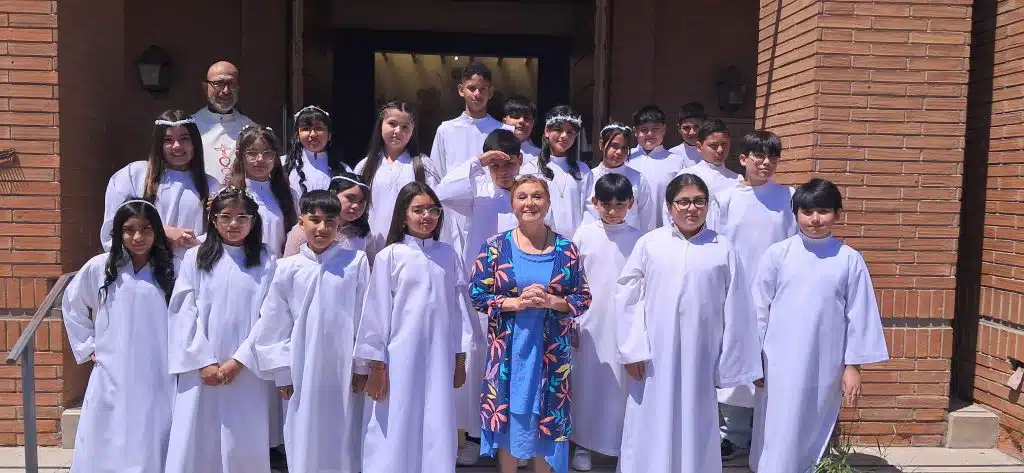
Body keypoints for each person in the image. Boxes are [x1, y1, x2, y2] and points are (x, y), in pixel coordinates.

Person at [616, 173, 761, 473]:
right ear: (669, 206)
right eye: (683, 202)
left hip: (702, 355)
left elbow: (737, 307)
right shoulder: (650, 244)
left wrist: (729, 362)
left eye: (698, 201)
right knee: (649, 417)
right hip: (654, 355)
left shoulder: (723, 248)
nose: (691, 208)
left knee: (696, 420)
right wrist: (632, 350)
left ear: (707, 205)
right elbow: (628, 298)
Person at [750, 178, 889, 473]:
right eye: (807, 211)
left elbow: (859, 315)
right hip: (778, 361)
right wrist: (754, 360)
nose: (815, 219)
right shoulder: (778, 254)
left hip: (825, 362)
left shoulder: (848, 259)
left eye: (823, 211)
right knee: (777, 424)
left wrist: (853, 367)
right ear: (796, 214)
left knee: (815, 424)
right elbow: (758, 310)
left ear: (837, 214)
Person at [469, 176, 592, 473]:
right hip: (508, 352)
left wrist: (551, 301)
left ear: (548, 203)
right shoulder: (495, 247)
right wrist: (516, 303)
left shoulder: (566, 249)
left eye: (537, 196)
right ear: (512, 203)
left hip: (551, 354)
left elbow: (582, 297)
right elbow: (477, 294)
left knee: (546, 422)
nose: (530, 203)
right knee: (509, 419)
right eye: (522, 197)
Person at [356, 182, 472, 473]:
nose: (426, 216)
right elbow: (376, 313)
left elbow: (458, 313)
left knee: (437, 418)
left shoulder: (449, 255)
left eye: (432, 210)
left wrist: (460, 359)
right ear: (403, 216)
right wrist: (376, 366)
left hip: (440, 358)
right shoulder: (389, 256)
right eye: (418, 210)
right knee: (395, 418)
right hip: (398, 359)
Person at [252, 190, 371, 473]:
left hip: (344, 368)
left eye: (330, 221)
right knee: (303, 432)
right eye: (315, 220)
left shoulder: (356, 262)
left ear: (339, 224)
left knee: (344, 433)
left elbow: (365, 317)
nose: (322, 228)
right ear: (301, 222)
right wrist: (282, 372)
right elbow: (274, 322)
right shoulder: (287, 268)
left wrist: (361, 366)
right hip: (300, 367)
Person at [165, 188, 275, 473]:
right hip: (201, 367)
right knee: (198, 436)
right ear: (213, 220)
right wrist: (203, 362)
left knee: (242, 439)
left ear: (253, 221)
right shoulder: (195, 257)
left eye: (242, 217)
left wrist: (239, 361)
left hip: (246, 368)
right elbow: (183, 311)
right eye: (225, 217)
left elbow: (271, 315)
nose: (233, 224)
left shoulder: (266, 260)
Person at [62, 199, 176, 473]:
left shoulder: (173, 269)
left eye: (146, 229)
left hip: (158, 368)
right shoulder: (101, 267)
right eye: (129, 230)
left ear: (157, 231)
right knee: (109, 429)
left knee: (152, 429)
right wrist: (89, 346)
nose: (137, 237)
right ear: (118, 232)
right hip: (113, 367)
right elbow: (73, 304)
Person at [433, 128, 524, 465]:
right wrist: (478, 162)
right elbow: (441, 193)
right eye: (495, 164)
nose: (503, 171)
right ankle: (474, 436)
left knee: (515, 364)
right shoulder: (477, 191)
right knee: (479, 363)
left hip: (521, 292)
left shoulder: (527, 193)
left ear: (520, 161)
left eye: (509, 163)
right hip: (483, 292)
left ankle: (513, 441)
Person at [712, 130, 797, 462]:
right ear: (743, 159)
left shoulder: (789, 197)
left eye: (772, 157)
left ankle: (767, 434)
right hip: (736, 290)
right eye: (759, 156)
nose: (766, 162)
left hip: (777, 292)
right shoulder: (724, 199)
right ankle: (732, 434)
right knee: (735, 359)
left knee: (769, 361)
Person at [569, 173, 644, 471]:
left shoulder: (640, 239)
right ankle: (583, 444)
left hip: (626, 323)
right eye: (606, 204)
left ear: (631, 203)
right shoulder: (584, 235)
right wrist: (573, 319)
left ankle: (621, 447)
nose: (613, 211)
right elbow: (572, 280)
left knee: (623, 387)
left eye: (619, 204)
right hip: (590, 322)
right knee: (587, 382)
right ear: (594, 202)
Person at [101, 109, 220, 261]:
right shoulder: (134, 175)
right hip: (144, 267)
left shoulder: (210, 185)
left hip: (190, 266)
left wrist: (192, 241)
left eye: (184, 139)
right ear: (159, 144)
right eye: (168, 140)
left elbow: (217, 235)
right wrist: (162, 232)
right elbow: (113, 226)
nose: (177, 146)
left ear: (194, 143)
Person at [356, 101, 440, 254]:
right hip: (372, 242)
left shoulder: (423, 165)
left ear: (413, 131)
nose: (398, 131)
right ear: (381, 125)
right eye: (392, 124)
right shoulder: (365, 166)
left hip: (412, 246)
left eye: (405, 127)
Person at [520, 105, 593, 238]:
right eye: (558, 130)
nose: (564, 136)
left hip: (575, 241)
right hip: (540, 239)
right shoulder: (531, 169)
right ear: (547, 131)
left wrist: (581, 237)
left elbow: (590, 207)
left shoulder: (583, 171)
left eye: (570, 132)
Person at [227, 124, 299, 257]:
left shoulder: (290, 195)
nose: (260, 159)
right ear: (239, 155)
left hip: (280, 266)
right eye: (252, 153)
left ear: (276, 157)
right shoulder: (229, 195)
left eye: (267, 153)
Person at [430, 61, 503, 177]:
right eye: (472, 88)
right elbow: (435, 176)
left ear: (490, 92)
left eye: (482, 89)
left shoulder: (503, 131)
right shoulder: (445, 130)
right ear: (461, 90)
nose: (477, 94)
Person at [583, 123, 656, 232]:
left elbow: (647, 217)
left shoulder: (638, 179)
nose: (619, 152)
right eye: (614, 146)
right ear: (601, 144)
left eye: (624, 147)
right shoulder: (588, 177)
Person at [192, 61, 255, 181]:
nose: (226, 90)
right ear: (205, 88)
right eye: (219, 84)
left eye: (231, 84)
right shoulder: (190, 127)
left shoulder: (250, 128)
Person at [626, 105, 688, 227]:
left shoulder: (676, 162)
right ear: (635, 131)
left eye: (655, 129)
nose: (650, 134)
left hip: (664, 228)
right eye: (644, 130)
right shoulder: (626, 158)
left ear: (664, 129)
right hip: (628, 229)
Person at [283, 172, 371, 257]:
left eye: (361, 201)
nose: (356, 206)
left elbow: (370, 263)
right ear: (333, 194)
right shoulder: (305, 230)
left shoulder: (363, 232)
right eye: (350, 198)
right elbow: (289, 263)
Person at [284, 105, 350, 197]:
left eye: (319, 128)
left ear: (329, 135)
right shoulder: (282, 165)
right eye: (305, 129)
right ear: (297, 135)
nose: (313, 134)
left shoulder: (344, 170)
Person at [678, 118, 741, 196]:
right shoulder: (687, 176)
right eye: (713, 145)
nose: (720, 150)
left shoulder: (737, 179)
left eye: (724, 144)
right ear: (699, 147)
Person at [501, 95, 541, 165]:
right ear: (504, 121)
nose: (521, 121)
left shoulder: (540, 155)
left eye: (527, 118)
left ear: (533, 123)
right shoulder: (491, 149)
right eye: (516, 116)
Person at [667, 102, 706, 168]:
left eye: (696, 127)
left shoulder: (712, 152)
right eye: (686, 128)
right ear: (679, 129)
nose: (692, 132)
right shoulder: (672, 154)